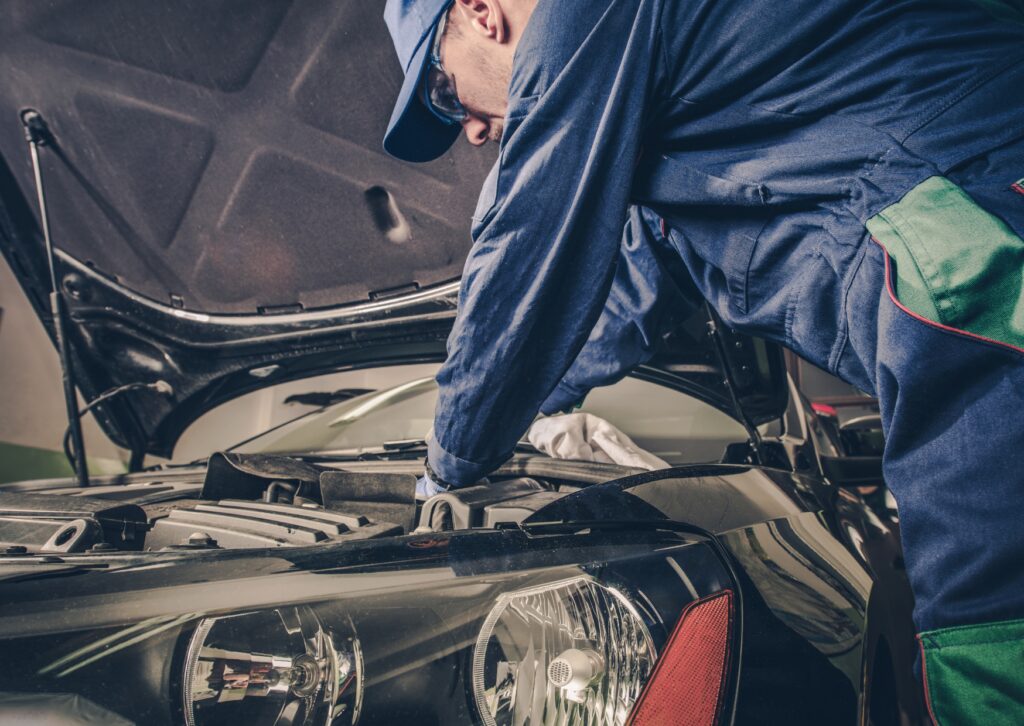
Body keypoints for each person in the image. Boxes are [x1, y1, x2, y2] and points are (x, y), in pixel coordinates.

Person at [382, 0, 1024, 721]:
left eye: (442, 90)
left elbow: (527, 252)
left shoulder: (580, 17)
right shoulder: (681, 117)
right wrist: (526, 413)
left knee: (991, 617)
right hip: (958, 262)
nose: (467, 127)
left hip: (980, 250)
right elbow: (625, 285)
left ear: (480, 12)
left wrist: (443, 471)